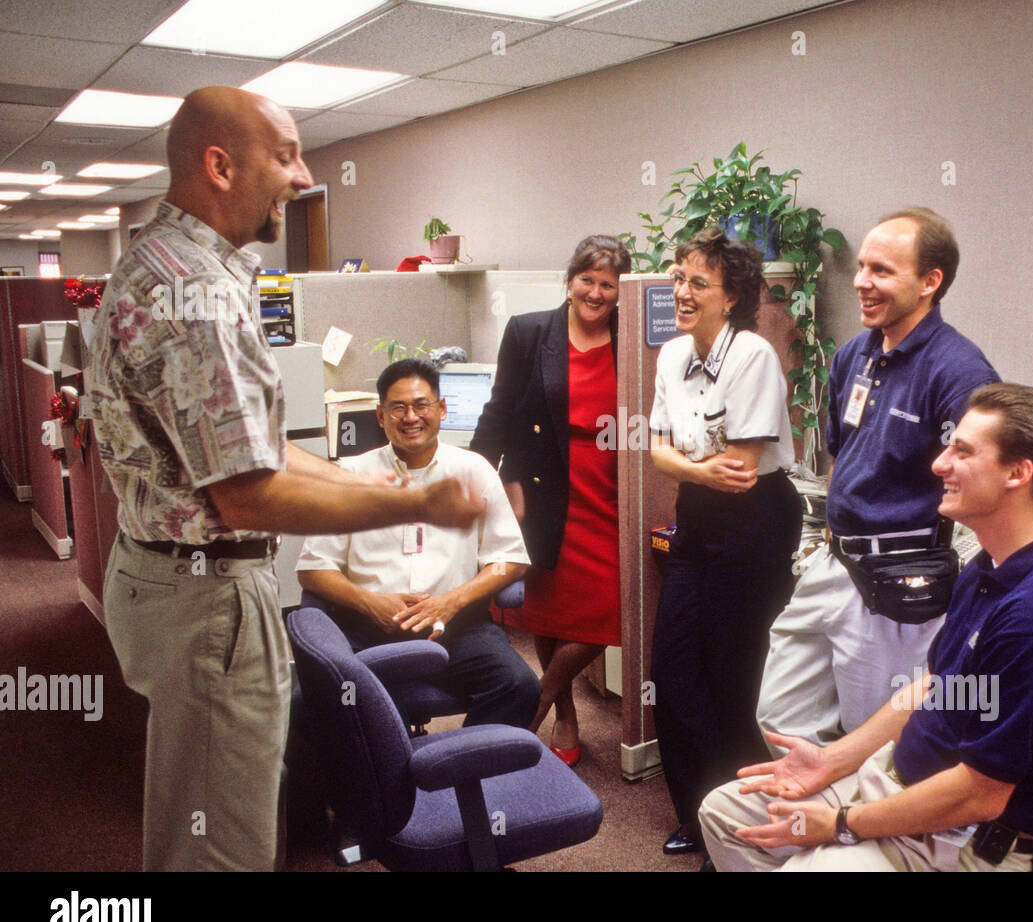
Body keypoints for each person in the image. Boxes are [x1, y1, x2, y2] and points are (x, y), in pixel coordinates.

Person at [82, 87, 482, 872]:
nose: (301, 177)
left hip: (168, 581)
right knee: (217, 849)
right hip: (207, 605)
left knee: (203, 816)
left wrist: (386, 489)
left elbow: (254, 450)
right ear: (220, 164)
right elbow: (247, 492)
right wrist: (415, 501)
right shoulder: (193, 293)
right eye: (286, 154)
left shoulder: (175, 262)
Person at [700, 383, 1033, 871]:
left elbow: (980, 795)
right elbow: (933, 687)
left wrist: (841, 823)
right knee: (723, 815)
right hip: (897, 783)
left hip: (959, 839)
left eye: (962, 452)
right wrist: (833, 761)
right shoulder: (989, 568)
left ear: (1018, 472)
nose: (939, 465)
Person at [756, 207, 999, 749]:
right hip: (833, 561)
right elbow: (840, 461)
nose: (862, 282)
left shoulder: (959, 372)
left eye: (882, 271)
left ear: (930, 282)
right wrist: (824, 539)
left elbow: (984, 487)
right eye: (862, 267)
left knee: (870, 741)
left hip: (896, 578)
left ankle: (854, 829)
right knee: (781, 717)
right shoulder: (853, 356)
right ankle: (812, 827)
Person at [648, 228, 804, 855]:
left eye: (698, 284)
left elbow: (739, 471)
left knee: (735, 676)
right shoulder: (670, 356)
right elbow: (658, 453)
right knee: (674, 669)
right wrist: (693, 468)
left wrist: (685, 463)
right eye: (680, 278)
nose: (682, 293)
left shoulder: (753, 357)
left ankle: (740, 831)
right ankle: (697, 816)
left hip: (756, 525)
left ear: (731, 296)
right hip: (698, 520)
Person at [296, 358, 539, 728]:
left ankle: (458, 769)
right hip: (367, 623)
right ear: (380, 416)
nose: (410, 417)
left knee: (518, 686)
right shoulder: (352, 475)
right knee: (318, 702)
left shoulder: (474, 471)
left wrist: (451, 601)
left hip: (455, 624)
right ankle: (380, 779)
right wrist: (370, 603)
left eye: (421, 405)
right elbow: (314, 570)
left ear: (441, 409)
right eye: (398, 408)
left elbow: (511, 561)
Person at [471, 235, 630, 765]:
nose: (596, 292)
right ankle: (564, 714)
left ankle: (533, 704)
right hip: (539, 483)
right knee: (550, 610)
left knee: (613, 607)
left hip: (609, 482)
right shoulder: (529, 331)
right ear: (570, 280)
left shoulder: (631, 336)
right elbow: (499, 410)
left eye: (608, 284)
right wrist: (478, 478)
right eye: (588, 279)